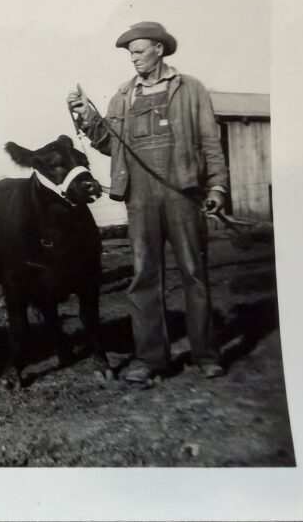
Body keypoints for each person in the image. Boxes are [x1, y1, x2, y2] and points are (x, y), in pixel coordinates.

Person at [67, 21, 228, 386]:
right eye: (130, 54)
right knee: (143, 278)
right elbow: (109, 144)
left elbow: (210, 142)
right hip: (139, 198)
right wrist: (86, 115)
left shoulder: (191, 89)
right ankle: (150, 359)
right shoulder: (124, 95)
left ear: (159, 48)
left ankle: (206, 355)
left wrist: (216, 188)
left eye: (138, 51)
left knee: (193, 272)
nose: (133, 58)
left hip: (183, 193)